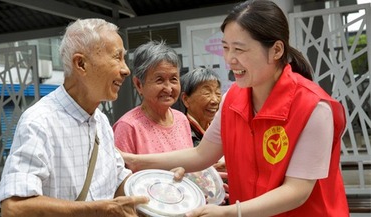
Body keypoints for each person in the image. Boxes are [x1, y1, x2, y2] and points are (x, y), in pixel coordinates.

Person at [122, 0, 349, 216]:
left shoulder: (314, 107)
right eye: (226, 48)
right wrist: (136, 161)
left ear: (276, 50)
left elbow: (297, 191)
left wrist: (230, 212)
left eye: (239, 50)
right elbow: (202, 154)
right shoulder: (233, 99)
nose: (230, 60)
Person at [0, 18, 148, 217]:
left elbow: (119, 181)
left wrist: (166, 187)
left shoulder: (100, 121)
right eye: (116, 57)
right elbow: (14, 208)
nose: (125, 69)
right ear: (81, 63)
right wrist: (97, 210)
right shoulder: (40, 121)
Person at [113, 40, 193, 154]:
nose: (169, 88)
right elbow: (120, 171)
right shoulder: (128, 127)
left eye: (173, 79)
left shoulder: (182, 119)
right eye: (159, 80)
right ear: (139, 84)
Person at [179, 67, 222, 147]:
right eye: (206, 93)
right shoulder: (180, 133)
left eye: (218, 93)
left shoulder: (221, 129)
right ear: (186, 100)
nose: (215, 100)